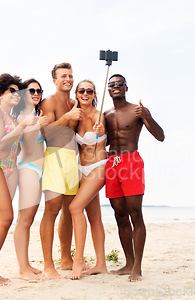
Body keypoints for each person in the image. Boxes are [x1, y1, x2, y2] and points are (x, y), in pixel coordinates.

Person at [102, 74, 164, 282]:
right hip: (112, 164)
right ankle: (128, 262)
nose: (116, 86)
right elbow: (101, 142)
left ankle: (137, 266)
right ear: (108, 89)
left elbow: (160, 136)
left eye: (120, 84)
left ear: (126, 88)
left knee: (135, 213)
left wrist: (147, 116)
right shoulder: (105, 115)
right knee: (119, 215)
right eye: (112, 84)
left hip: (131, 162)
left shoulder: (136, 111)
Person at [0, 74, 38, 286]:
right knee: (6, 219)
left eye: (18, 91)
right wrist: (21, 127)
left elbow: (14, 145)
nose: (16, 94)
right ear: (0, 93)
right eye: (11, 90)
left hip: (9, 169)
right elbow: (1, 146)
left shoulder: (12, 117)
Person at [39, 62, 83, 279]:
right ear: (55, 80)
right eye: (63, 76)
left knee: (69, 209)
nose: (68, 79)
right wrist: (66, 117)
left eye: (71, 75)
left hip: (71, 160)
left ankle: (66, 258)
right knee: (52, 209)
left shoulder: (75, 103)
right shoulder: (49, 101)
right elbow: (46, 132)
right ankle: (48, 265)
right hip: (54, 156)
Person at [68, 80, 108, 279]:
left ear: (94, 94)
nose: (85, 93)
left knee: (75, 208)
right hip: (81, 169)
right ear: (76, 93)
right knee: (94, 218)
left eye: (89, 91)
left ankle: (79, 261)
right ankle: (101, 264)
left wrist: (101, 132)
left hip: (98, 167)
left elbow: (104, 135)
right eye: (82, 90)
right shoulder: (75, 115)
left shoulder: (99, 114)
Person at [11, 79, 48, 281]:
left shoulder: (35, 115)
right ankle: (22, 269)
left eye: (39, 90)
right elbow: (23, 137)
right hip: (28, 169)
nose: (36, 93)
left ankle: (26, 265)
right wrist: (37, 125)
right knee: (24, 221)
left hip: (40, 170)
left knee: (29, 219)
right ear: (24, 94)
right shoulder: (24, 117)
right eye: (31, 90)